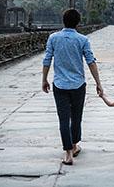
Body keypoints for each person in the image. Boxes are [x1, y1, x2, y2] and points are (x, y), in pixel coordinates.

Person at [42, 9, 103, 165]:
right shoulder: (82, 39)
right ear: (78, 23)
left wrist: (44, 79)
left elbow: (47, 59)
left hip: (60, 84)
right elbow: (91, 62)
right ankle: (74, 145)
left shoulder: (53, 38)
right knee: (76, 117)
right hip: (78, 85)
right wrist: (98, 83)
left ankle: (68, 153)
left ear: (63, 21)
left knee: (63, 119)